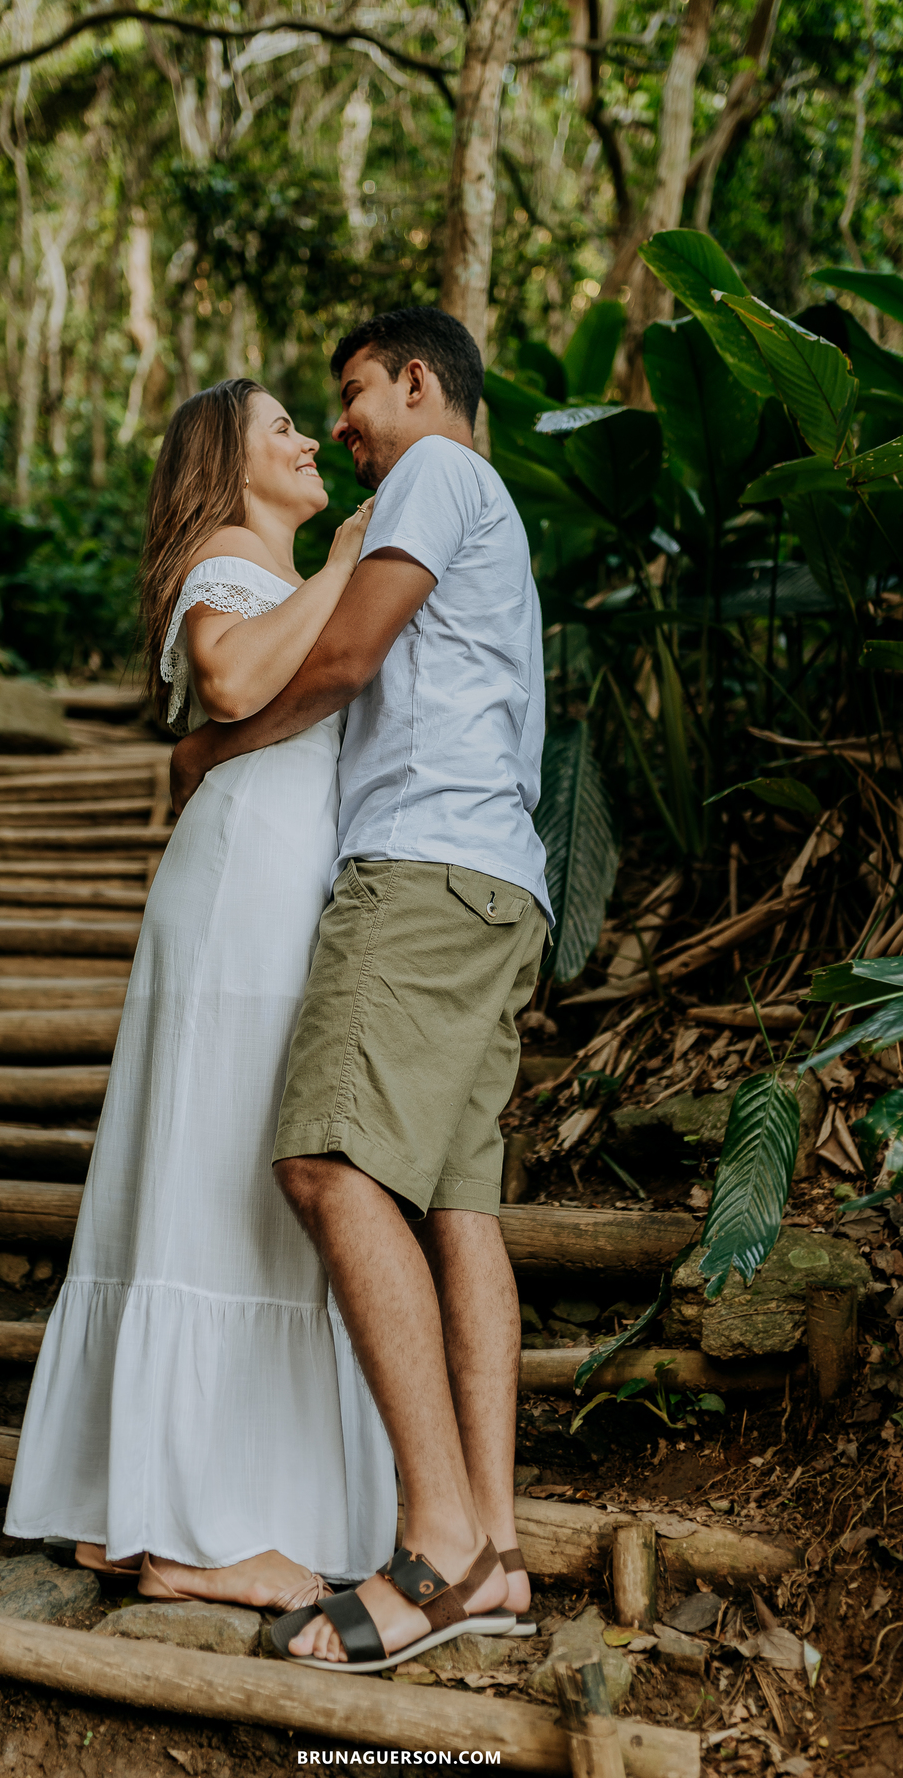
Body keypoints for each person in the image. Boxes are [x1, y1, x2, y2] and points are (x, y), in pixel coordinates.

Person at [168, 307, 551, 1672]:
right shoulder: (468, 502)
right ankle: (496, 1556)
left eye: (352, 396)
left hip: (426, 874)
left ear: (417, 381)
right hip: (499, 881)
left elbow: (341, 662)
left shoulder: (437, 472)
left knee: (328, 1162)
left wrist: (217, 746)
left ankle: (436, 1546)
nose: (344, 426)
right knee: (458, 1206)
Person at [4, 378, 397, 1610]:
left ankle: (133, 1504)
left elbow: (247, 719)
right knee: (229, 1171)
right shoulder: (231, 554)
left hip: (259, 871)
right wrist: (343, 564)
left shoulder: (267, 564)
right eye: (280, 425)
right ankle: (194, 1537)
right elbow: (228, 682)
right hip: (245, 889)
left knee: (209, 1167)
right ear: (227, 465)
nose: (305, 439)